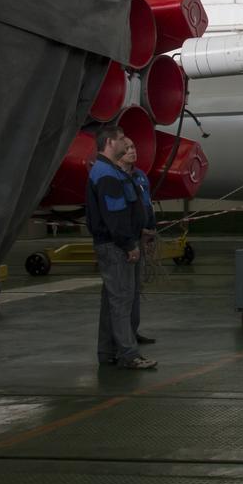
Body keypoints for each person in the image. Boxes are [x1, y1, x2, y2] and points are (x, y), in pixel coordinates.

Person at [86, 125, 156, 370]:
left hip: (120, 242)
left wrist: (141, 231)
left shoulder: (113, 172)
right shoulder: (106, 174)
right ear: (109, 143)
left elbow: (129, 209)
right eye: (121, 140)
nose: (125, 144)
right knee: (121, 302)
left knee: (112, 301)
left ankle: (107, 352)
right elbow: (114, 216)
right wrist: (129, 244)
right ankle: (128, 354)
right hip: (116, 246)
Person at [116, 137, 157, 347]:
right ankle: (123, 338)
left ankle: (133, 330)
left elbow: (147, 205)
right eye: (128, 148)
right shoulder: (115, 177)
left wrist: (151, 228)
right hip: (125, 241)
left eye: (134, 147)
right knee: (123, 292)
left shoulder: (140, 176)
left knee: (135, 289)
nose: (133, 151)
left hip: (141, 237)